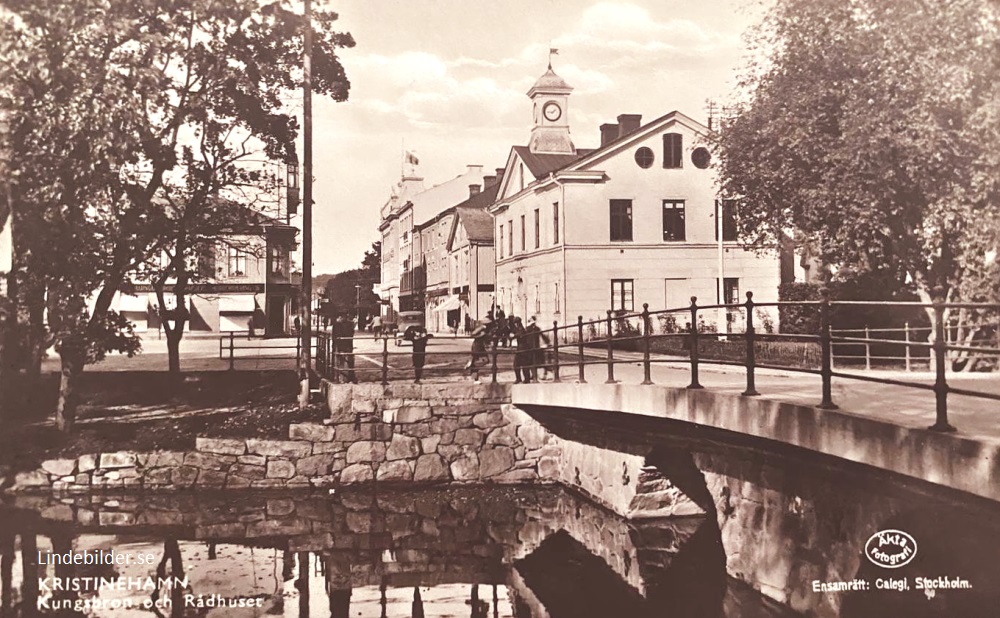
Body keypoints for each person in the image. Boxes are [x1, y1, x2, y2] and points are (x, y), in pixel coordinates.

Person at [466, 318, 492, 382]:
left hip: (480, 346)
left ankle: (475, 377)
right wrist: (481, 335)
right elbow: (472, 334)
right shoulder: (482, 328)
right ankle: (474, 376)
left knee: (483, 360)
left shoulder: (486, 329)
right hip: (477, 346)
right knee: (485, 360)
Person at [524, 316, 550, 382]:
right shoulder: (536, 328)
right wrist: (547, 341)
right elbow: (542, 335)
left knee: (531, 361)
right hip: (535, 347)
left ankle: (534, 376)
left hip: (530, 347)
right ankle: (534, 375)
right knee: (535, 361)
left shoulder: (528, 328)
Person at [334, 314, 357, 383]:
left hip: (342, 345)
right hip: (347, 345)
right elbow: (352, 333)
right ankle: (349, 377)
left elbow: (335, 336)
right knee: (348, 361)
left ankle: (342, 377)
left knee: (342, 361)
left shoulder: (337, 325)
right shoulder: (350, 324)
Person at [511, 317, 528, 383]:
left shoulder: (521, 329)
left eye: (515, 323)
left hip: (522, 348)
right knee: (520, 364)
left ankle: (524, 379)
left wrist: (514, 335)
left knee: (520, 364)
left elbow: (520, 334)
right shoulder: (519, 328)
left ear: (517, 323)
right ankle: (522, 379)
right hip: (521, 348)